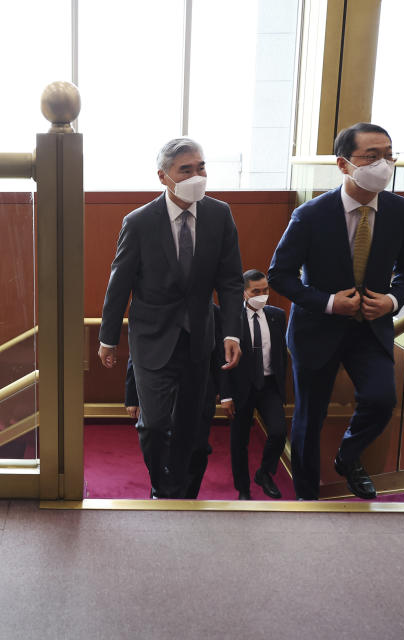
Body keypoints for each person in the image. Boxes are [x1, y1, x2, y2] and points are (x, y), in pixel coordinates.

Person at [268, 122, 404, 501]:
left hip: (370, 327)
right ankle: (306, 499)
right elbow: (279, 275)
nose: (383, 164)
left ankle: (348, 456)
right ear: (343, 164)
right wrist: (328, 301)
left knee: (382, 399)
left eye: (388, 154)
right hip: (316, 329)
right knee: (309, 418)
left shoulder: (401, 210)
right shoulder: (310, 215)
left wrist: (393, 300)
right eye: (372, 156)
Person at [98, 138, 243, 499]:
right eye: (186, 170)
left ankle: (185, 493)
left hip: (200, 338)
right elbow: (120, 285)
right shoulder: (139, 222)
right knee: (155, 425)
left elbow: (229, 280)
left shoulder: (219, 214)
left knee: (194, 430)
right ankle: (162, 489)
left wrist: (232, 333)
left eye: (201, 167)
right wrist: (107, 337)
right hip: (151, 338)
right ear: (164, 176)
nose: (197, 175)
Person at [123, 302, 224, 499]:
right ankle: (162, 490)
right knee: (160, 439)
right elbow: (137, 353)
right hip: (161, 390)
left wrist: (222, 390)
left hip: (201, 391)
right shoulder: (155, 307)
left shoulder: (213, 312)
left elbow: (218, 352)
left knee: (198, 448)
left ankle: (188, 498)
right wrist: (132, 396)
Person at [219, 270, 287, 500]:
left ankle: (264, 473)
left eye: (265, 290)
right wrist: (225, 396)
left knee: (278, 432)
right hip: (241, 388)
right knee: (239, 442)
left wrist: (281, 389)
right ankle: (243, 489)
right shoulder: (229, 319)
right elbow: (222, 359)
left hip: (268, 386)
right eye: (255, 291)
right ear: (244, 292)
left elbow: (280, 356)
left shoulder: (278, 316)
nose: (262, 295)